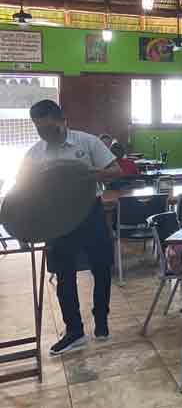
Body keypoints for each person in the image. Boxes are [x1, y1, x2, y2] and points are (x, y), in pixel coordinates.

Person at [20, 100, 122, 355]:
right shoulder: (35, 154)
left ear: (63, 120)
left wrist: (90, 174)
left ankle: (101, 320)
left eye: (50, 128)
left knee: (101, 267)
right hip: (57, 219)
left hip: (90, 212)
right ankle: (74, 331)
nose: (45, 134)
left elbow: (116, 170)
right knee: (64, 275)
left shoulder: (87, 142)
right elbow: (24, 191)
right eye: (39, 129)